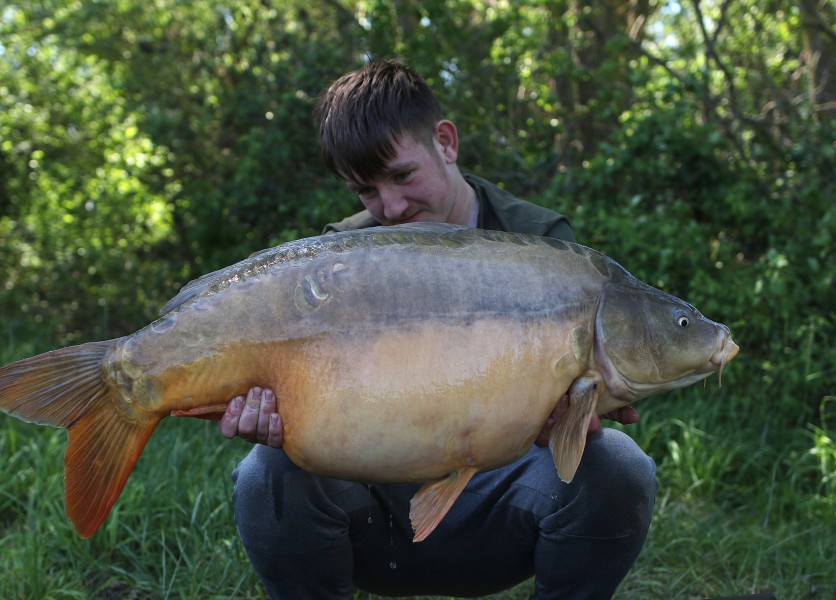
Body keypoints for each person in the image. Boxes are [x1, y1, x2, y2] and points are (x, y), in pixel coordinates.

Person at [219, 59, 656, 599]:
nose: (392, 207)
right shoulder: (344, 254)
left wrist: (568, 415)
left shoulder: (538, 239)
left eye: (402, 175)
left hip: (503, 503)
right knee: (266, 473)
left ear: (445, 142)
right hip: (372, 512)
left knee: (619, 465)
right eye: (367, 192)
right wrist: (275, 412)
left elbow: (594, 380)